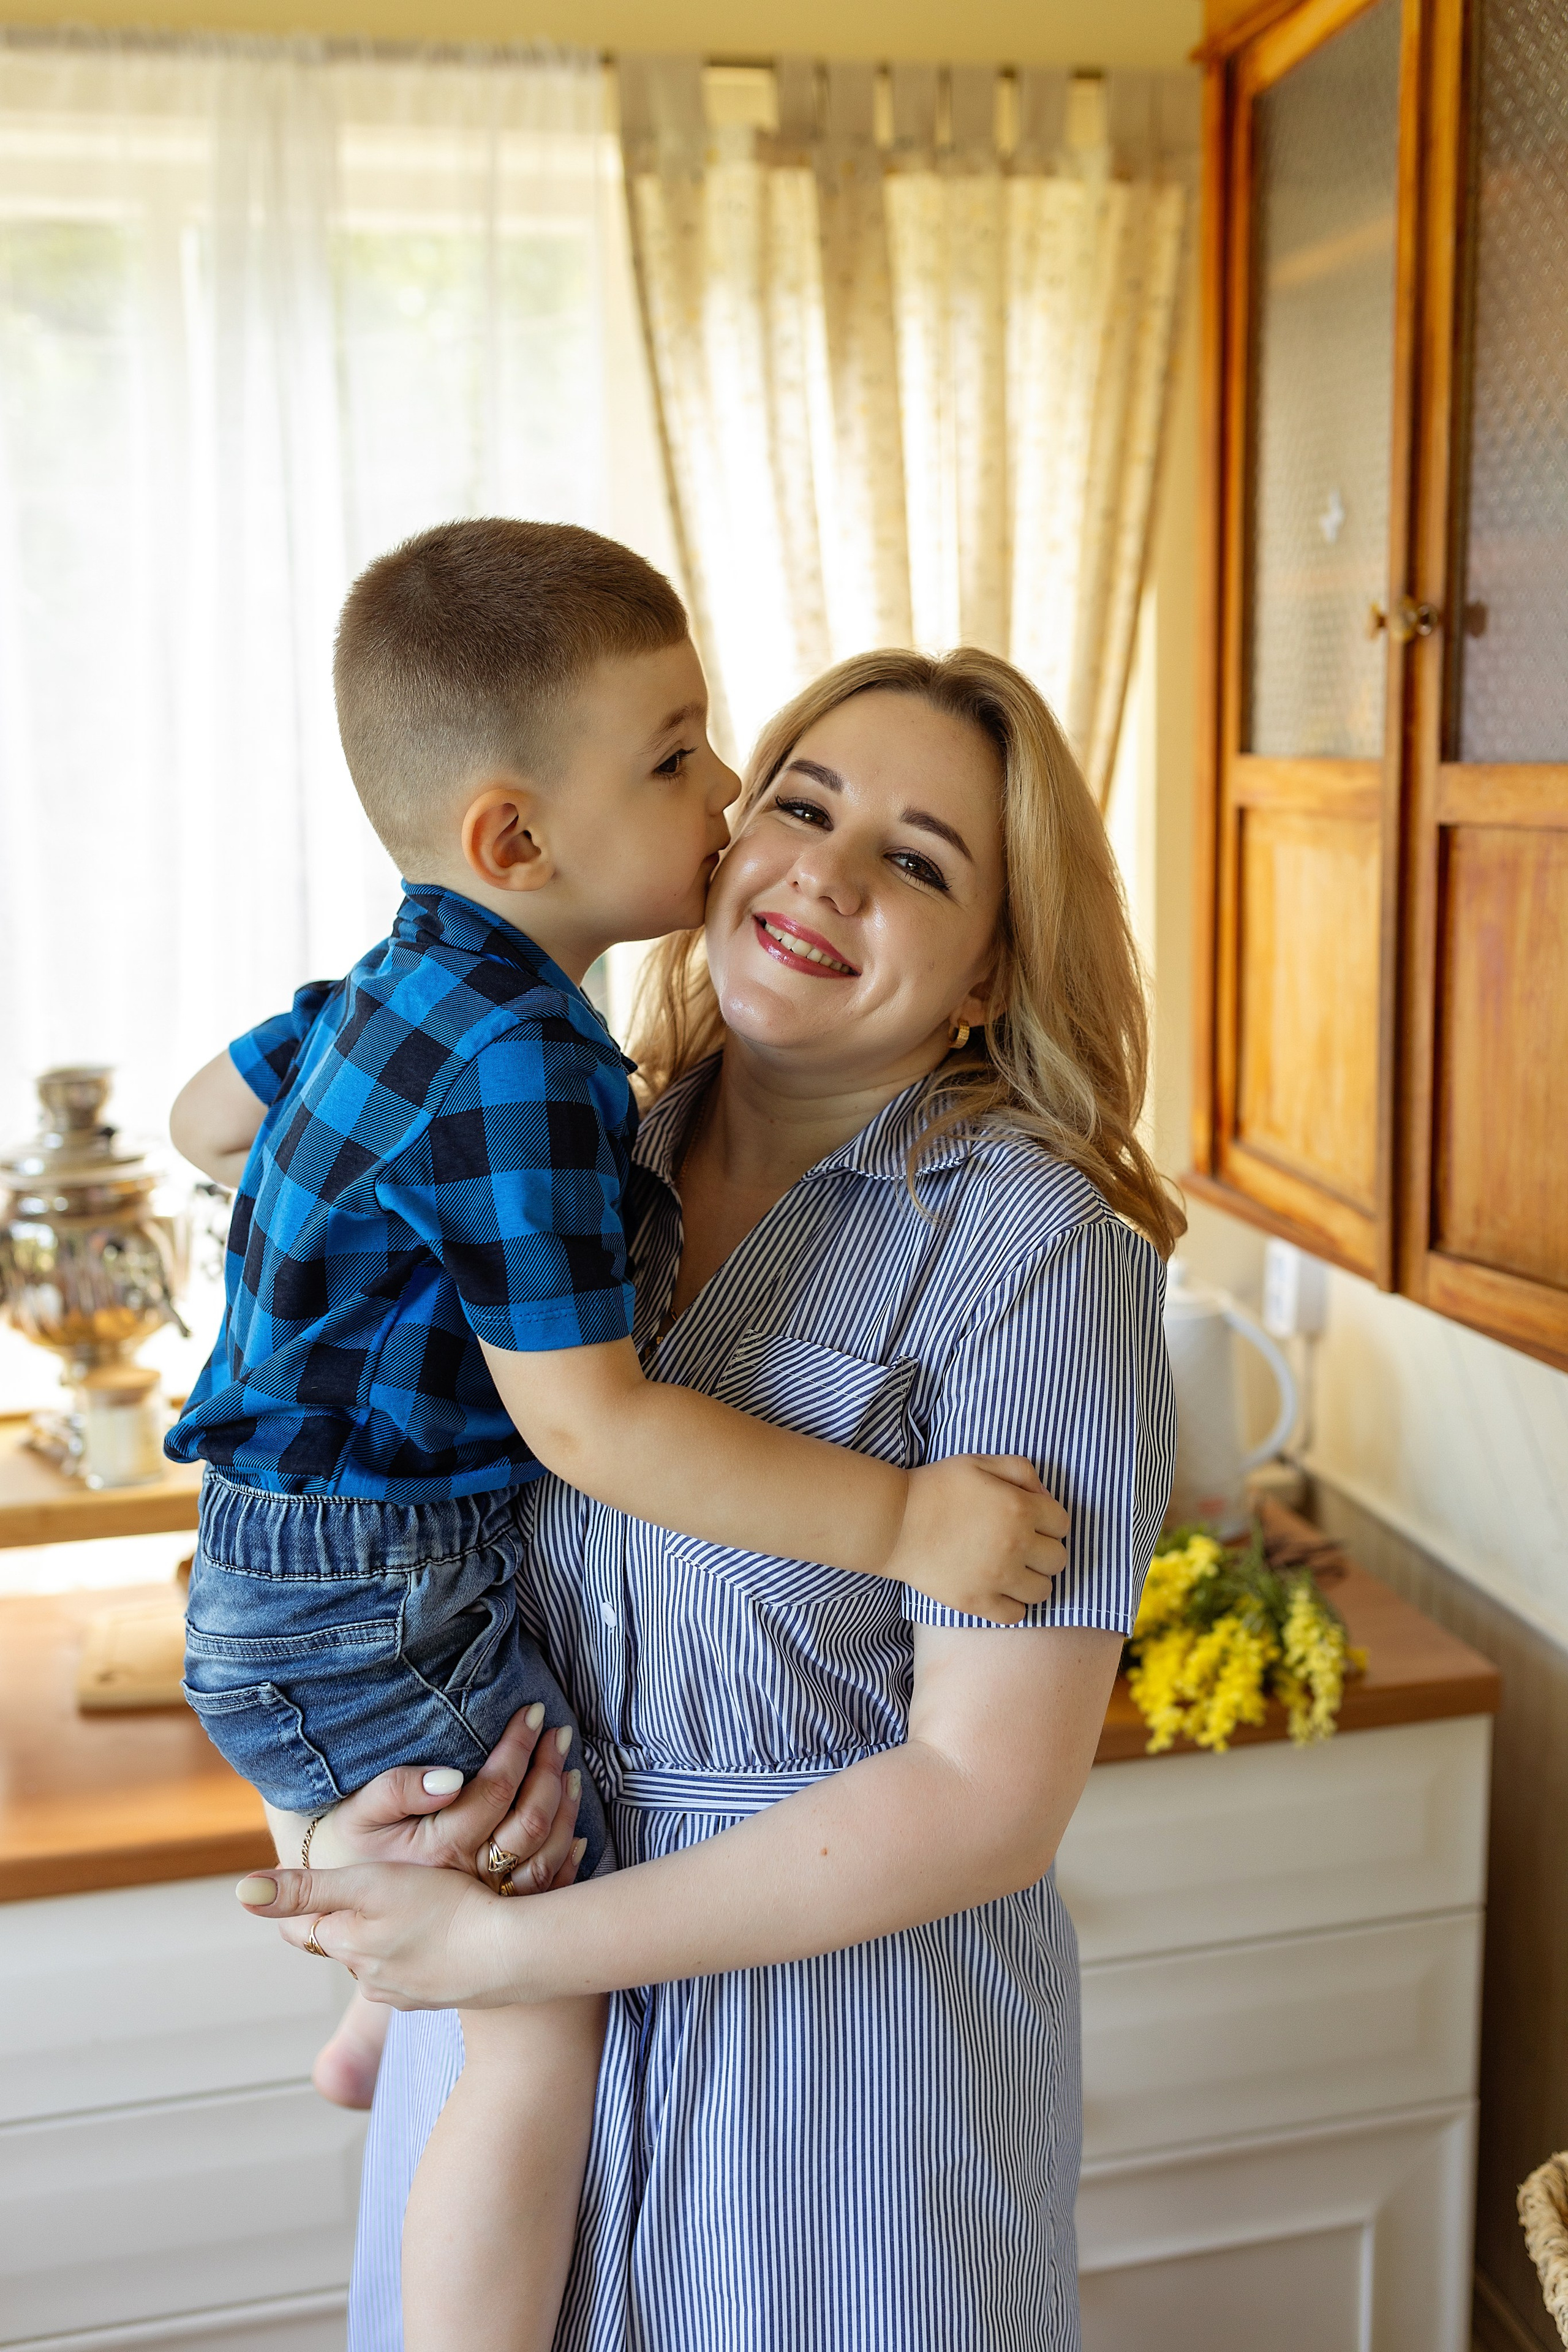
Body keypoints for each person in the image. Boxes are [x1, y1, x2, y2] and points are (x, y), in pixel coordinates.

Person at [165, 527, 1068, 2352]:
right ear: (518, 838)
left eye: (914, 861)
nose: (745, 818)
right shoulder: (553, 1084)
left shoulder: (390, 994)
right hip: (380, 1614)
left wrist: (346, 1227)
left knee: (479, 1964)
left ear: (990, 972)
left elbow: (202, 1119)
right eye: (701, 764)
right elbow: (590, 1430)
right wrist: (904, 1524)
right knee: (525, 2030)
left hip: (815, 2129)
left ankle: (367, 2004)